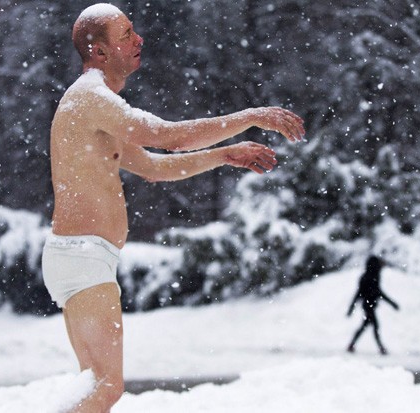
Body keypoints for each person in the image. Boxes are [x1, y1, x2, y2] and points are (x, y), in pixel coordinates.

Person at [41, 3, 305, 412]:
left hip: (81, 257)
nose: (138, 40)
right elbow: (165, 136)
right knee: (106, 387)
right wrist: (252, 116)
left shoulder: (97, 107)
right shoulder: (90, 97)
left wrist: (224, 155)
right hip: (83, 257)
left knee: (94, 387)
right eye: (126, 34)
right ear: (99, 51)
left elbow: (154, 166)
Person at [346, 256, 399, 355]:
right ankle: (381, 348)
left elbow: (361, 294)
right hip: (368, 306)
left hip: (369, 305)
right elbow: (373, 293)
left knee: (365, 326)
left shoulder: (369, 276)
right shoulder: (371, 277)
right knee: (374, 326)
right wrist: (392, 303)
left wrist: (351, 307)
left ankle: (352, 345)